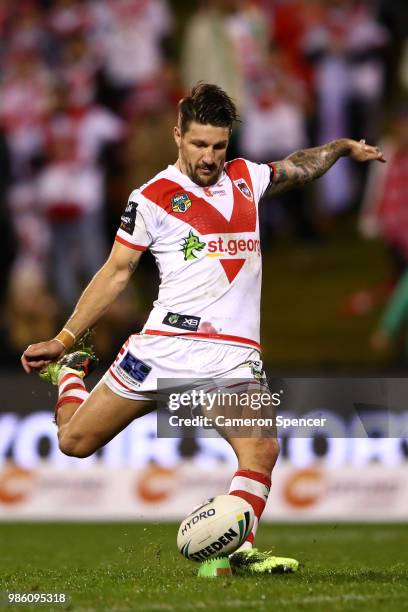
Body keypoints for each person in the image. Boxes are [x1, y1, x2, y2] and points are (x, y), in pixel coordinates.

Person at [21, 83, 385, 575]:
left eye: (218, 145)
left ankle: (239, 553)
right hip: (164, 346)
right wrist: (63, 339)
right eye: (198, 144)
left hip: (231, 354)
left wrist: (340, 148)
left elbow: (299, 165)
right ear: (178, 136)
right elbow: (116, 272)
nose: (209, 156)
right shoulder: (151, 198)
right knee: (74, 443)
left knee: (262, 447)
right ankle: (69, 372)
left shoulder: (246, 178)